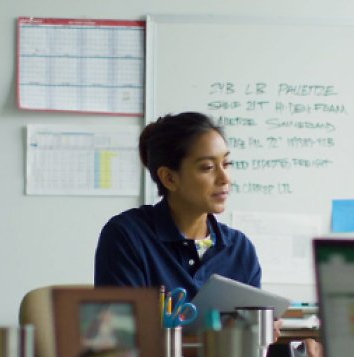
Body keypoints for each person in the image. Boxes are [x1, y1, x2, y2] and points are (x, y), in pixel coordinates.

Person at [94, 111, 261, 298]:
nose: (225, 178)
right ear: (169, 178)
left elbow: (249, 321)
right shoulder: (128, 236)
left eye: (226, 163)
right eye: (208, 167)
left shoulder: (239, 249)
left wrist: (262, 324)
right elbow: (121, 325)